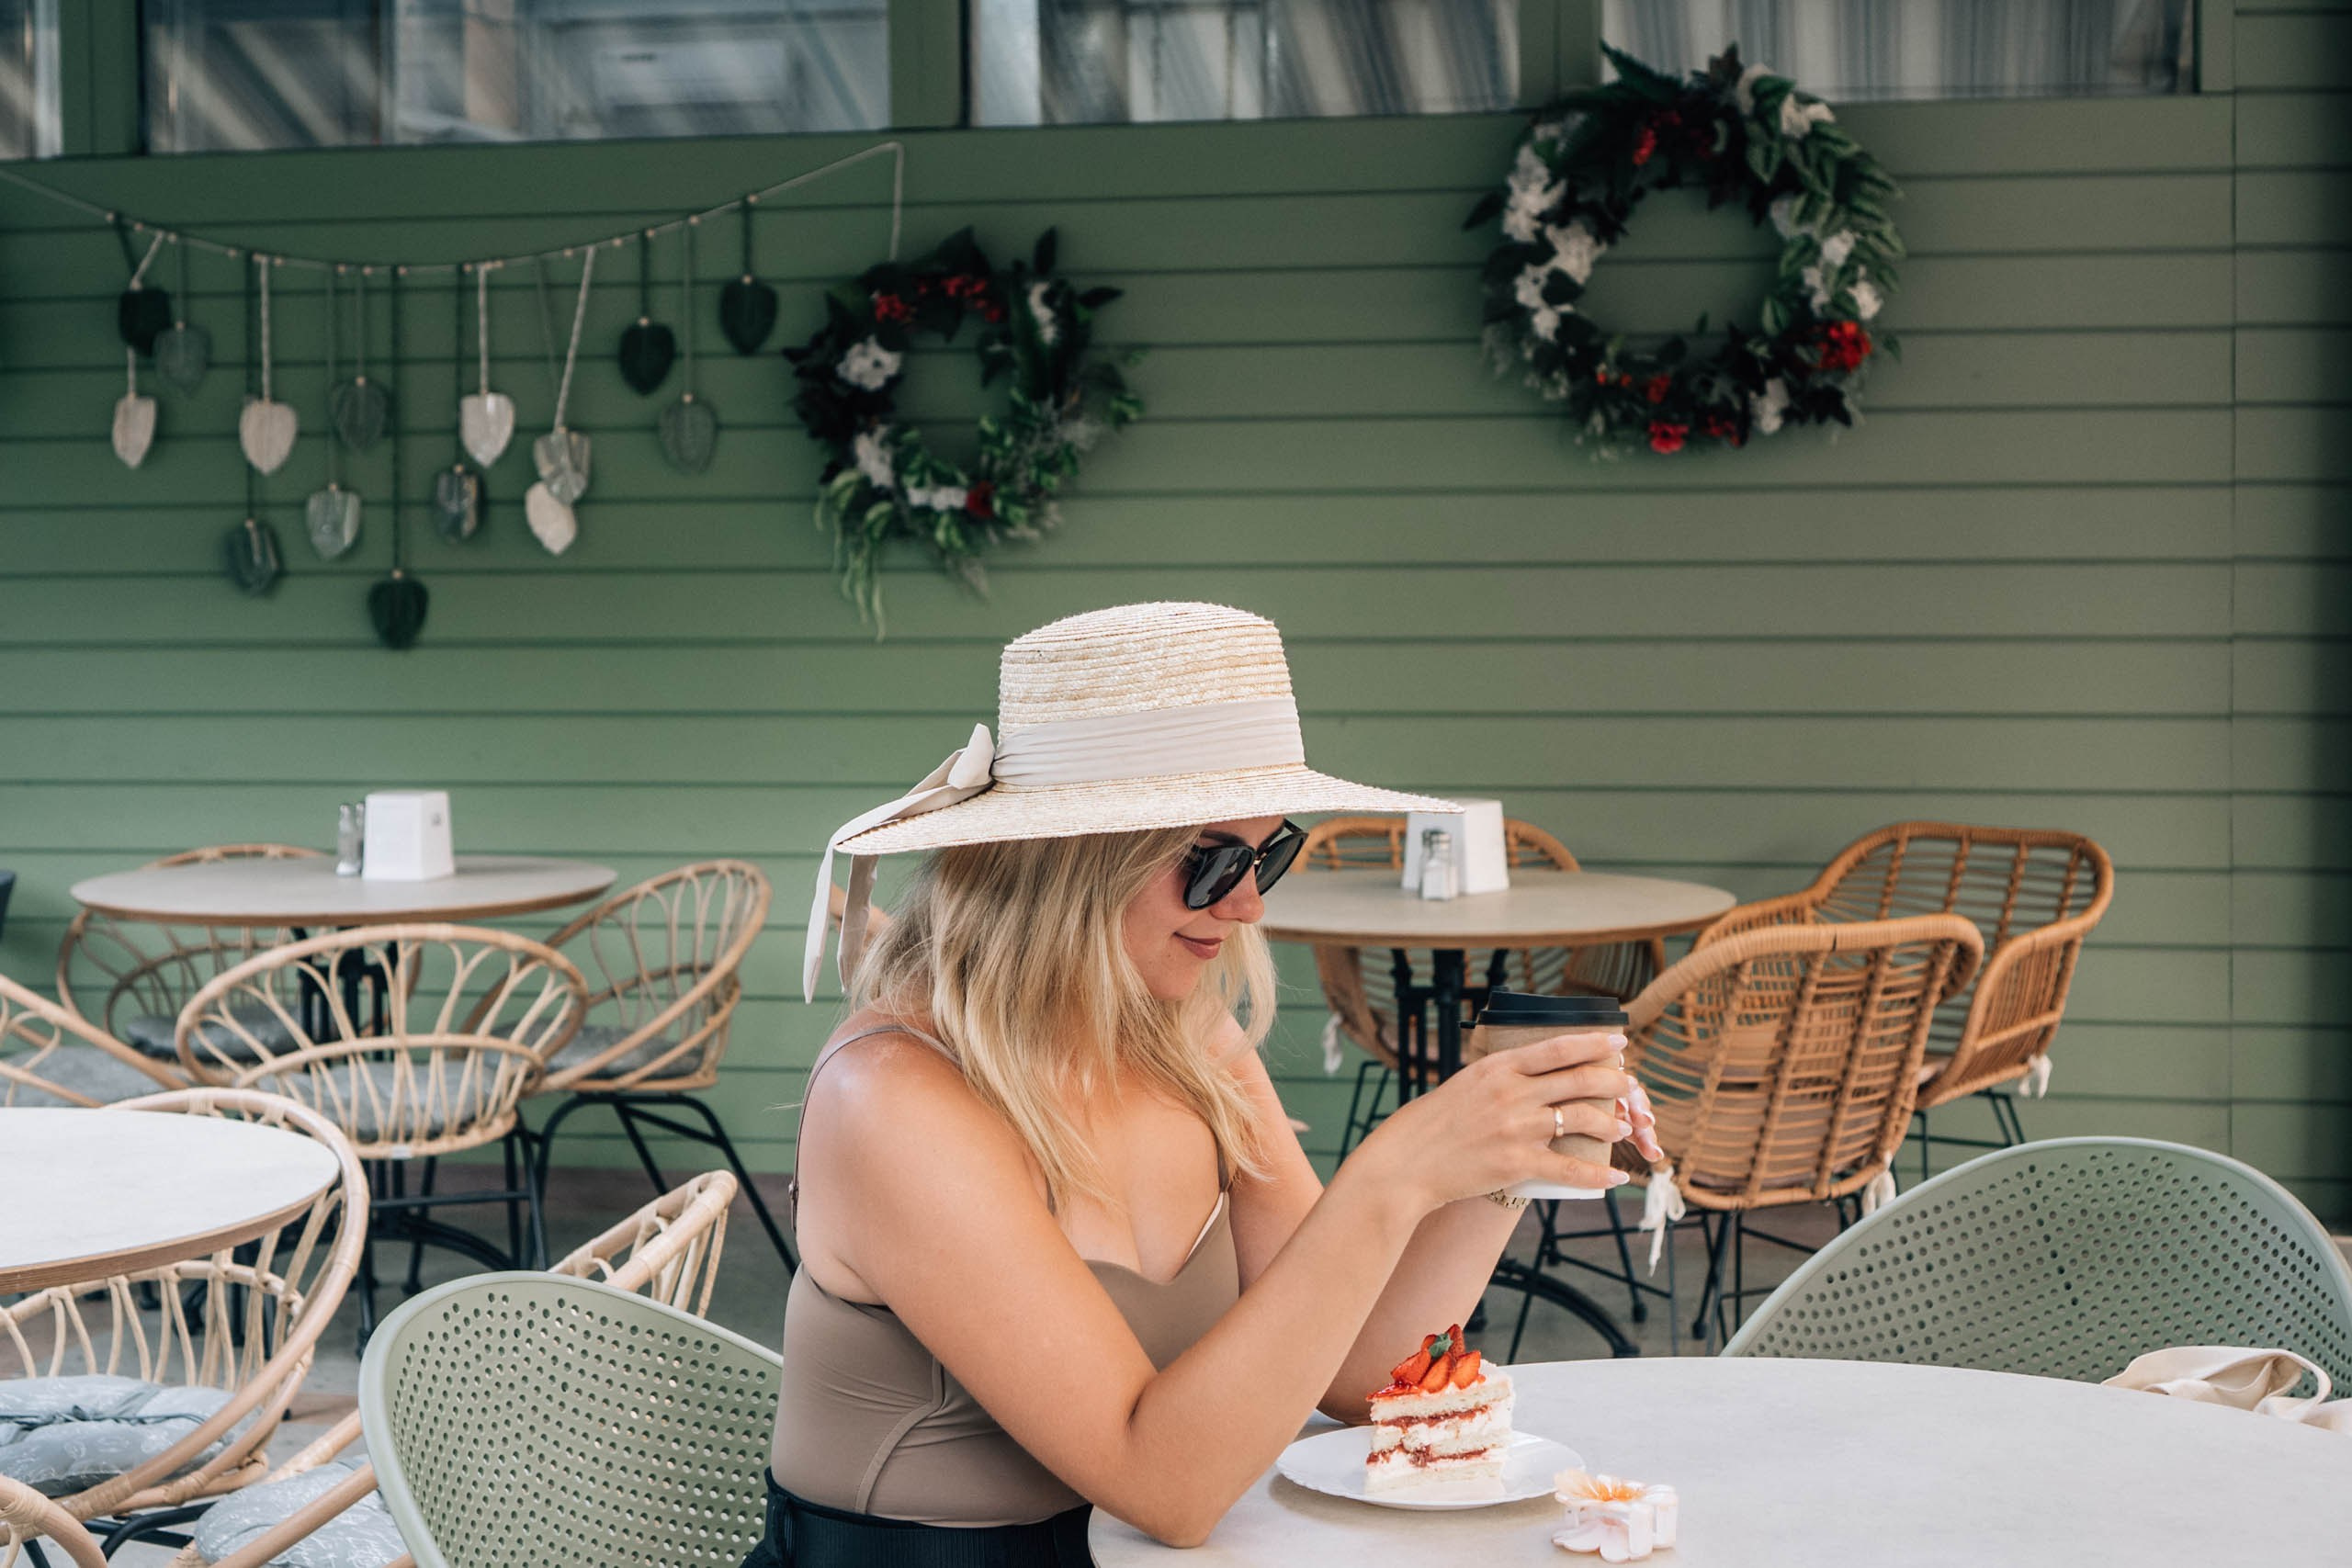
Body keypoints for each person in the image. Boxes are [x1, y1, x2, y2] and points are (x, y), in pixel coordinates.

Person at [750, 602, 1659, 1566]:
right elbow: (1166, 1488)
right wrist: (1392, 1174)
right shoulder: (894, 1096)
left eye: (1269, 850)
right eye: (1213, 859)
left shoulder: (1185, 1039)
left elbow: (1365, 1376)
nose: (1249, 901)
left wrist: (1497, 1163)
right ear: (1071, 860)